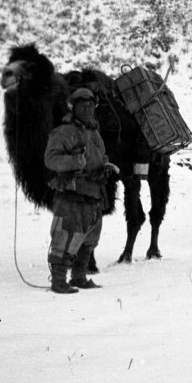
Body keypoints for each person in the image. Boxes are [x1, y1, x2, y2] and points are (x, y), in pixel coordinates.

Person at [44, 87, 119, 293]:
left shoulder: (94, 132)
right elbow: (51, 159)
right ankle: (59, 281)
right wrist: (75, 161)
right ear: (73, 107)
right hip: (72, 193)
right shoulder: (64, 132)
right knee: (65, 236)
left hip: (94, 192)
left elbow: (100, 154)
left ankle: (79, 277)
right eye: (82, 105)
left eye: (90, 105)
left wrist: (104, 165)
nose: (87, 109)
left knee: (89, 239)